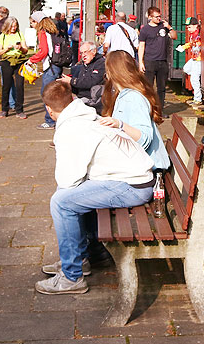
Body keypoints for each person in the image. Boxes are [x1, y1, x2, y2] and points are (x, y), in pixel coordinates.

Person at [35, 80, 155, 295]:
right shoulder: (86, 115)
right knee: (73, 196)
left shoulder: (70, 129)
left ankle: (72, 276)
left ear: (49, 110)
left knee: (61, 203)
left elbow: (68, 180)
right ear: (72, 99)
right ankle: (88, 255)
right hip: (136, 178)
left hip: (132, 186)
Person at [97, 51, 170, 171]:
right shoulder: (122, 94)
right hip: (136, 165)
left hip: (146, 170)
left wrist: (119, 124)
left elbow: (144, 140)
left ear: (111, 72)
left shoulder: (133, 98)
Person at [137, 6, 177, 111]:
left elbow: (174, 36)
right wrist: (141, 62)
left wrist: (169, 27)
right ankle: (148, 109)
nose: (158, 19)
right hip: (149, 61)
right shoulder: (145, 29)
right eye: (156, 17)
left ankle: (159, 110)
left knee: (162, 88)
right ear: (150, 17)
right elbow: (142, 46)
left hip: (162, 61)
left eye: (159, 16)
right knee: (148, 87)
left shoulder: (163, 27)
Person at [29, 12, 63, 129]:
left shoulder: (42, 32)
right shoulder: (53, 31)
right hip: (57, 64)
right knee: (55, 93)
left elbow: (43, 51)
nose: (31, 25)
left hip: (50, 67)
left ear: (37, 22)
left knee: (46, 93)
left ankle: (50, 121)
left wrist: (32, 60)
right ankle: (57, 118)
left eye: (32, 22)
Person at [0, 17, 28, 118]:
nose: (14, 28)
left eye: (15, 26)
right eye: (12, 26)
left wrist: (21, 48)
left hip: (19, 61)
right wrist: (6, 49)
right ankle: (5, 109)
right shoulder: (3, 36)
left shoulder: (19, 34)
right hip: (6, 62)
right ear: (7, 26)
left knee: (19, 86)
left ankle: (19, 109)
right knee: (6, 86)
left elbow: (26, 50)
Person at [60, 41, 105, 112]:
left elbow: (92, 82)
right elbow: (80, 86)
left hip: (94, 100)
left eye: (85, 52)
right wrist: (67, 84)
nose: (83, 55)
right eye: (81, 53)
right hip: (82, 98)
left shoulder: (100, 63)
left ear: (94, 51)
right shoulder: (85, 64)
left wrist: (72, 81)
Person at [177, 16, 203, 108]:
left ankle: (198, 99)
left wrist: (185, 47)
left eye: (189, 27)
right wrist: (184, 47)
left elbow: (198, 44)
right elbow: (191, 44)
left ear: (196, 26)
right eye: (187, 27)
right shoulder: (193, 35)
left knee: (194, 80)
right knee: (186, 69)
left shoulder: (199, 35)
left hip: (199, 60)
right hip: (194, 59)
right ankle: (198, 77)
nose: (188, 29)